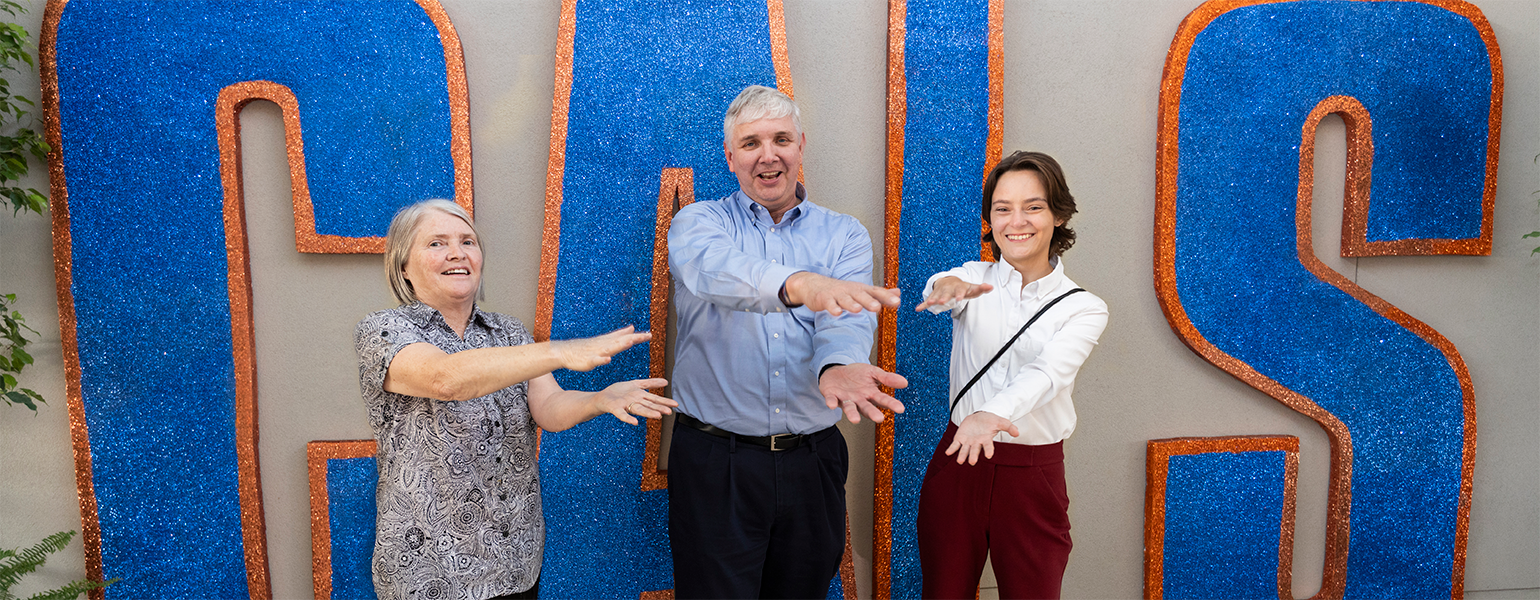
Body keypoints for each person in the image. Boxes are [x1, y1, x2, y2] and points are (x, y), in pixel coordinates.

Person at [354, 199, 677, 600]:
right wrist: (562, 351)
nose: (457, 252)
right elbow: (445, 379)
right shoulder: (384, 329)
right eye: (436, 244)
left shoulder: (509, 333)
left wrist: (600, 398)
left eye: (467, 241)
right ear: (403, 265)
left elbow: (549, 408)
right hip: (430, 570)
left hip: (514, 562)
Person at [665, 85, 909, 600]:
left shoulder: (844, 234)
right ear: (730, 157)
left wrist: (838, 366)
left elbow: (845, 322)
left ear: (801, 145)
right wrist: (804, 285)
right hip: (715, 463)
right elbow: (717, 273)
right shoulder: (699, 223)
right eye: (751, 143)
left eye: (781, 139)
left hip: (812, 461)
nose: (768, 154)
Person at [913, 151, 1108, 600]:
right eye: (1002, 208)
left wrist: (988, 414)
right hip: (959, 460)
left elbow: (1047, 374)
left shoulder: (1084, 307)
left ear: (1058, 215)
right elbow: (945, 288)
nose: (1016, 221)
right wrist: (944, 288)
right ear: (990, 218)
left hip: (1032, 473)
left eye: (1033, 207)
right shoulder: (972, 278)